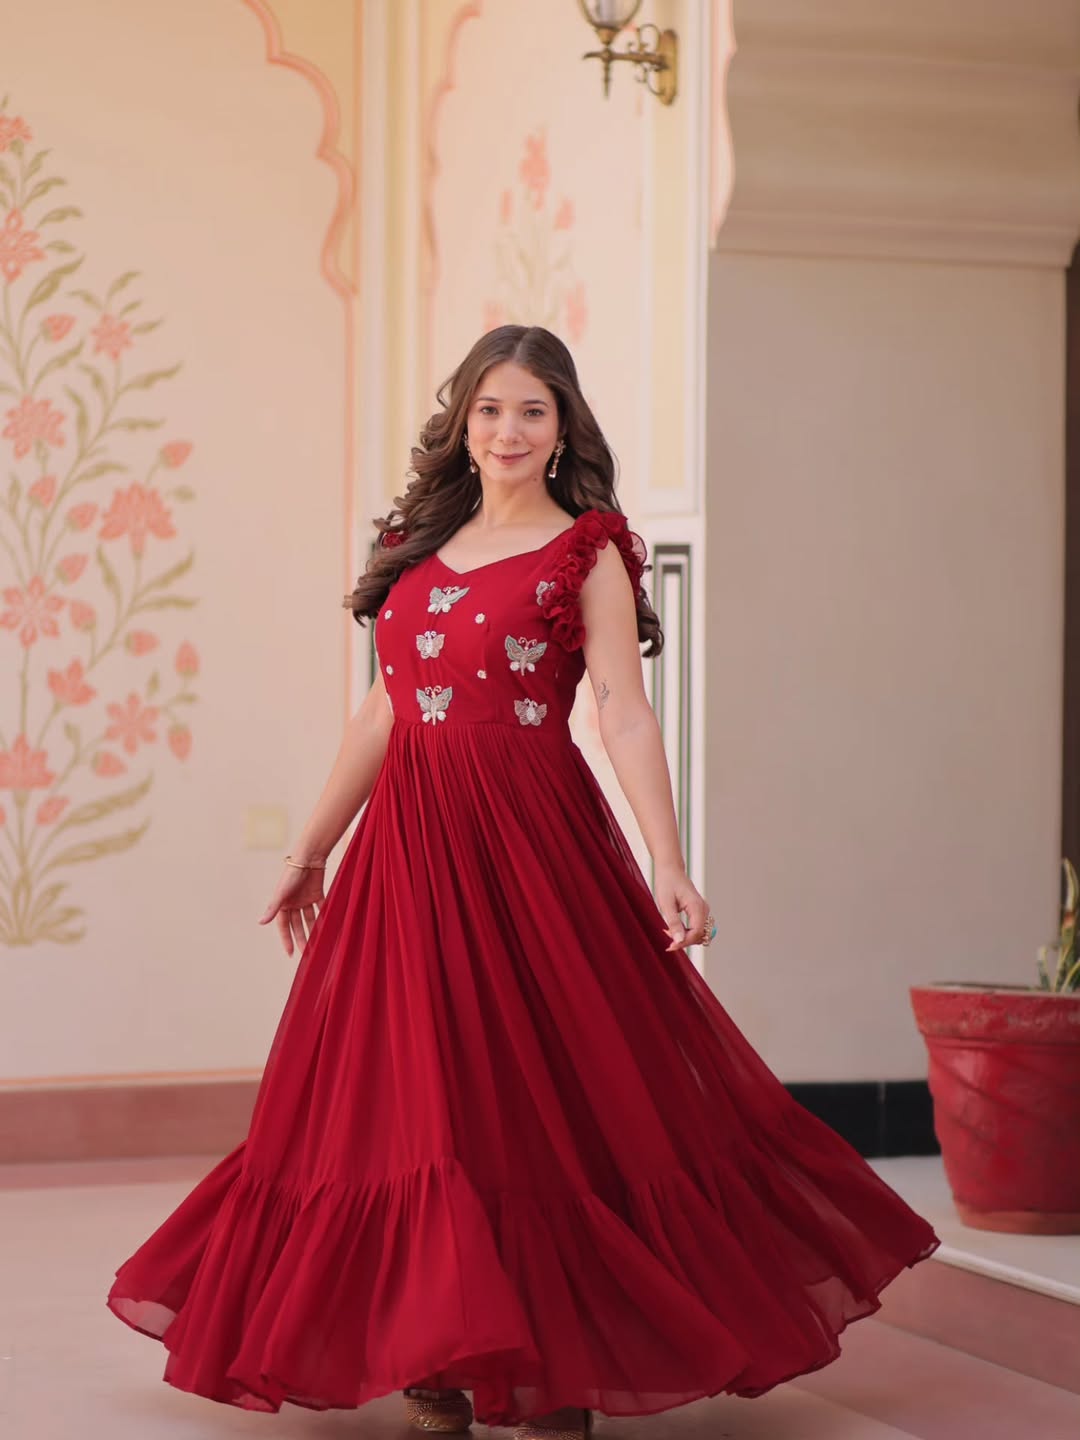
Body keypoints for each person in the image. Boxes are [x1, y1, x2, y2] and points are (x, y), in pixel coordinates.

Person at [106, 325, 940, 1439]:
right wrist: (313, 846)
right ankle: (441, 1363)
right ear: (463, 419)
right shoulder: (416, 542)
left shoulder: (586, 549)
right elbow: (385, 708)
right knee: (420, 1094)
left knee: (549, 1095)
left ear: (562, 430)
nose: (508, 429)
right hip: (407, 851)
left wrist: (667, 858)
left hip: (532, 844)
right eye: (491, 408)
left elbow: (622, 709)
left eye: (533, 411)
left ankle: (560, 1366)